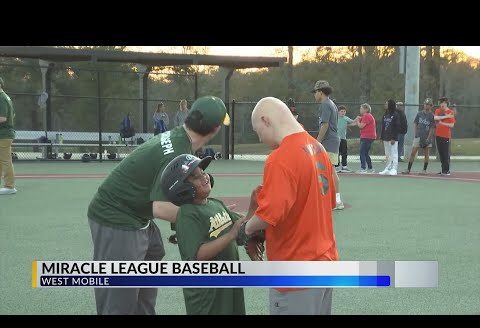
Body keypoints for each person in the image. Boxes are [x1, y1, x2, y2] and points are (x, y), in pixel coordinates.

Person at [87, 96, 231, 315]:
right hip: (117, 217)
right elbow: (160, 207)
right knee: (118, 301)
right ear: (215, 129)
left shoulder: (179, 138)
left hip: (136, 215)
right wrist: (203, 221)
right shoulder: (178, 150)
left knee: (148, 276)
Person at [241, 96, 338, 315]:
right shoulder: (318, 148)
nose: (261, 140)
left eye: (259, 132)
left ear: (266, 120)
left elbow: (268, 216)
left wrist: (246, 229)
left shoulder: (281, 157)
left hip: (295, 271)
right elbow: (327, 201)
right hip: (325, 264)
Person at [159, 153, 260, 315]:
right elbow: (198, 255)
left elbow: (242, 230)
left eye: (202, 172)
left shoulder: (215, 204)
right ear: (181, 189)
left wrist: (254, 206)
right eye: (194, 176)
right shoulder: (187, 214)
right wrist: (231, 235)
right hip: (207, 295)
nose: (204, 177)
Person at [312, 80, 344, 210]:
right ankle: (333, 199)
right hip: (332, 140)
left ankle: (337, 201)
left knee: (329, 171)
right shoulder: (331, 104)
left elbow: (325, 125)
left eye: (315, 92)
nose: (314, 94)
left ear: (321, 92)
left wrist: (317, 142)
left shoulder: (325, 105)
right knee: (329, 171)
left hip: (329, 141)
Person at [402, 98, 436, 175]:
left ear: (431, 106)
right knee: (413, 153)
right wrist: (416, 134)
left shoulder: (432, 116)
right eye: (425, 104)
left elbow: (432, 128)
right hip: (419, 136)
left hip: (427, 137)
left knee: (426, 154)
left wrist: (428, 138)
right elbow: (416, 123)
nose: (426, 106)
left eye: (428, 104)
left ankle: (424, 170)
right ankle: (408, 169)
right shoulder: (419, 113)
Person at [0, 76, 17, 195]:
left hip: (4, 135)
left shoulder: (1, 98)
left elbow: (3, 118)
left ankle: (10, 186)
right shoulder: (5, 97)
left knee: (6, 161)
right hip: (5, 134)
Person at [433, 96, 456, 175]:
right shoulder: (438, 110)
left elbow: (452, 125)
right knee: (441, 153)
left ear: (446, 103)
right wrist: (446, 116)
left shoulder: (451, 112)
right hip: (438, 135)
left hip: (445, 136)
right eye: (440, 103)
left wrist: (443, 123)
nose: (441, 105)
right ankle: (443, 170)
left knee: (445, 153)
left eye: (442, 103)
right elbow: (435, 117)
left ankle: (447, 170)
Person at [379, 99, 401, 176]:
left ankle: (394, 168)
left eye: (386, 103)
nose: (385, 105)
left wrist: (394, 138)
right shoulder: (385, 115)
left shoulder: (395, 115)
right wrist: (381, 137)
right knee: (387, 154)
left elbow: (397, 127)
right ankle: (388, 168)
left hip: (392, 138)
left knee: (394, 153)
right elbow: (383, 126)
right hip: (385, 137)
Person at [354, 103, 377, 174]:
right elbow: (355, 123)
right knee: (365, 153)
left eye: (361, 108)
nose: (360, 110)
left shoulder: (367, 116)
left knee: (362, 151)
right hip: (366, 136)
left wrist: (357, 121)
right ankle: (370, 168)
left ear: (366, 109)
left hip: (367, 137)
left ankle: (363, 168)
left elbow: (361, 126)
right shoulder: (364, 117)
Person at [336, 105, 356, 173]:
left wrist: (357, 119)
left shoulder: (346, 118)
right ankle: (337, 166)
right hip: (336, 139)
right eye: (341, 111)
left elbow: (353, 122)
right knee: (337, 153)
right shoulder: (335, 118)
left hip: (343, 138)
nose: (343, 112)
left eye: (344, 111)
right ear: (338, 112)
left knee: (344, 152)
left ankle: (344, 166)